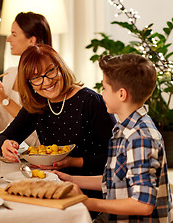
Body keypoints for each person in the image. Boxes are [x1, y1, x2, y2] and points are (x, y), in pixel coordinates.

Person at [53, 54, 172, 222]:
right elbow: (115, 179)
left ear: (121, 94)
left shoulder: (140, 137)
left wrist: (87, 202)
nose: (102, 94)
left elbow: (143, 204)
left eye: (104, 88)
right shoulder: (124, 128)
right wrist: (70, 179)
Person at [0, 44, 114, 199]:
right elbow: (2, 138)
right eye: (36, 78)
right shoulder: (37, 104)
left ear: (60, 67)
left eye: (50, 71)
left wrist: (72, 162)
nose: (46, 82)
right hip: (51, 186)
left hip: (89, 190)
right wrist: (5, 146)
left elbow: (115, 158)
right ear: (29, 83)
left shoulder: (91, 102)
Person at [0, 12, 52, 146]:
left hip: (40, 155)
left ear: (31, 40)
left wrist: (5, 100)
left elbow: (38, 133)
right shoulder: (10, 74)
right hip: (15, 153)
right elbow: (2, 125)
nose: (8, 39)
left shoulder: (47, 80)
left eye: (14, 34)